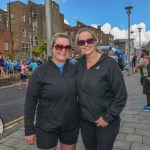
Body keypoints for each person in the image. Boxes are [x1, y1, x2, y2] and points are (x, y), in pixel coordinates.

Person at [75, 27, 127, 150]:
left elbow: (121, 95)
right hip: (85, 121)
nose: (86, 44)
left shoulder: (109, 64)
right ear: (78, 45)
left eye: (89, 40)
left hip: (106, 122)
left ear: (96, 41)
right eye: (82, 42)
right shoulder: (79, 64)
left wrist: (107, 117)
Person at [24, 33, 79, 150]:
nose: (63, 50)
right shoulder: (40, 71)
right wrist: (29, 129)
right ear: (52, 48)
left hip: (71, 126)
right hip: (46, 127)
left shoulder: (76, 69)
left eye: (67, 47)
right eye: (59, 46)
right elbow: (30, 100)